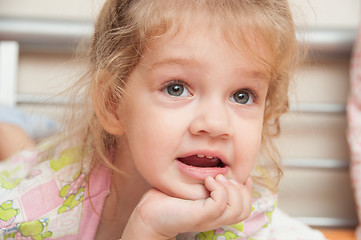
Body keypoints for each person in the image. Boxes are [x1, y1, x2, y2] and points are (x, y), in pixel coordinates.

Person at [0, 0, 326, 239]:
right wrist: (147, 228)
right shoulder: (32, 217)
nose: (215, 124)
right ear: (113, 103)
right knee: (21, 154)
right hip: (43, 173)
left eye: (242, 95)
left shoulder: (245, 211)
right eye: (176, 88)